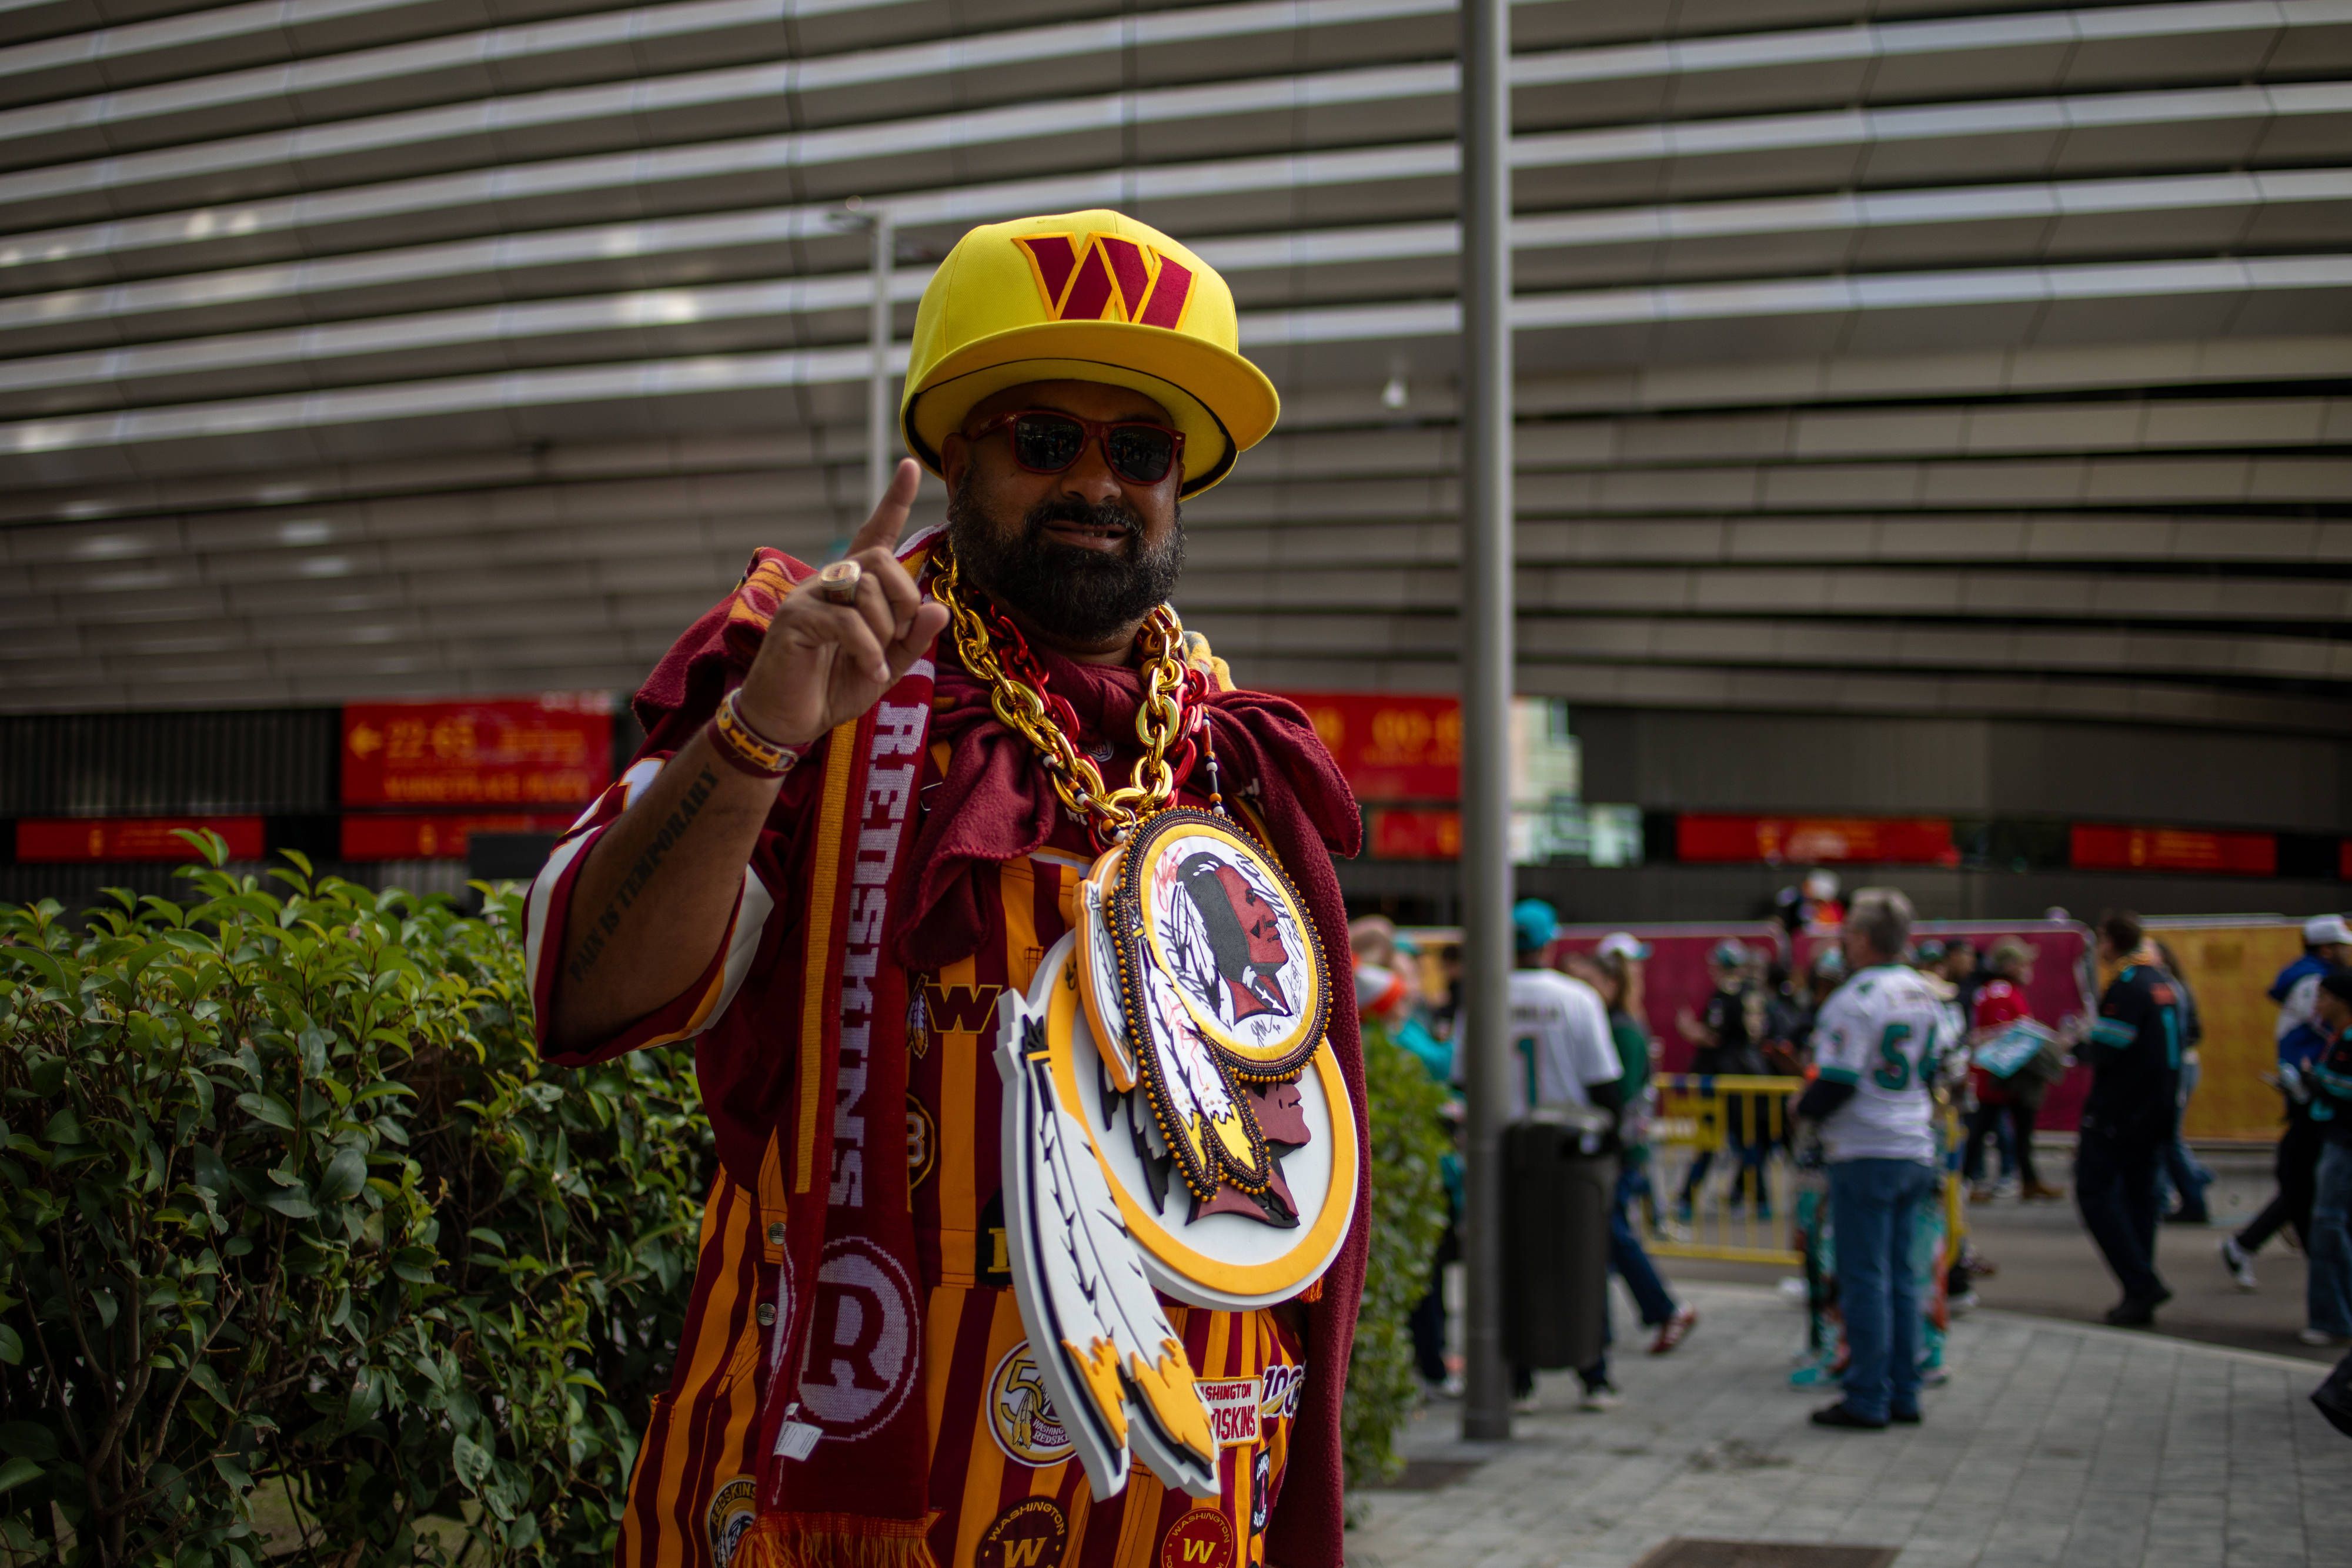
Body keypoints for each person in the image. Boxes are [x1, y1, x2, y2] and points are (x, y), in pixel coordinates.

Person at [527, 210, 1365, 1566]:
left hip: (1185, 1478)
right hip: (850, 1482)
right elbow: (583, 991)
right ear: (957, 454)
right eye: (1046, 440)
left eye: (1138, 450)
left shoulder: (1230, 750)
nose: (1098, 482)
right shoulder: (809, 663)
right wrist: (763, 734)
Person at [1793, 887, 1945, 1430]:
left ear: (1860, 938)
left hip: (1867, 1146)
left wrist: (1801, 1109)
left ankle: (1868, 1394)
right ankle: (1904, 1388)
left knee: (1865, 1278)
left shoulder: (1855, 998)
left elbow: (1837, 1078)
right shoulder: (1923, 992)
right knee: (1903, 1276)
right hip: (1913, 1139)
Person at [1506, 900, 1628, 1413]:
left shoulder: (1487, 996)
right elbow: (1606, 1086)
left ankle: (1519, 1380)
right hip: (1572, 1148)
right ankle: (1593, 1374)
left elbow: (1464, 1078)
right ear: (1550, 942)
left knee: (1514, 1263)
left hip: (1512, 1145)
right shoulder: (1579, 998)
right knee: (1583, 1259)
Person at [1564, 945, 1700, 1360]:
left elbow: (1616, 1095)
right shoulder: (1614, 1023)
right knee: (1609, 1236)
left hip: (1619, 1149)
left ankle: (1664, 1308)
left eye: (1590, 983)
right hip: (1618, 1146)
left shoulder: (1622, 1029)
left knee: (1612, 1233)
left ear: (1611, 983)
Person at [2223, 914, 2352, 1291]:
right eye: (2343, 947)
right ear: (2328, 948)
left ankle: (2250, 1244)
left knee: (2304, 1182)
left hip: (2316, 1093)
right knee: (2305, 1183)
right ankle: (2326, 1279)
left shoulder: (2307, 977)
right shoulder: (2315, 982)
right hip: (2319, 1097)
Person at [2075, 911, 2186, 1327]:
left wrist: (2077, 1046)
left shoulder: (2127, 985)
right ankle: (2139, 1290)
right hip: (2156, 1108)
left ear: (2109, 940)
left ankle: (2140, 1281)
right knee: (2141, 1198)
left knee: (2095, 1193)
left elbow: (2108, 1048)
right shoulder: (2162, 982)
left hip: (2120, 1110)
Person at [1676, 939, 1770, 1220]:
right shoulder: (1751, 993)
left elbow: (1712, 1035)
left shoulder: (1725, 996)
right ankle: (1760, 1199)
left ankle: (1687, 1199)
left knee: (1711, 1141)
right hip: (1746, 1074)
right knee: (1746, 1141)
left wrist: (1689, 1030)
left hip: (1724, 1077)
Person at [1967, 938, 2064, 1202]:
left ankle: (2028, 1181)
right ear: (2009, 964)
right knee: (1984, 1130)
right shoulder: (2000, 993)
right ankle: (1968, 1182)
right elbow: (2004, 1034)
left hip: (2007, 1076)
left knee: (2015, 1132)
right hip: (2003, 1076)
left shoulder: (2003, 991)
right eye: (2023, 963)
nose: (2027, 968)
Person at [2299, 971, 2352, 1348]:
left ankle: (2332, 1317)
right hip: (2337, 1137)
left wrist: (2317, 1082)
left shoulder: (2349, 1040)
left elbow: (2344, 1087)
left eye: (2323, 997)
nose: (2316, 1005)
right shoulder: (2338, 1038)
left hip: (2345, 1142)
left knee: (2329, 1225)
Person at [2152, 938, 2215, 1224]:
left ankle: (2192, 1191)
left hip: (2178, 1068)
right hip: (2181, 1067)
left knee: (2167, 1136)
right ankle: (2190, 1184)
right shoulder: (2171, 987)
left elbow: (2189, 1033)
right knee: (2166, 1136)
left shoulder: (2170, 990)